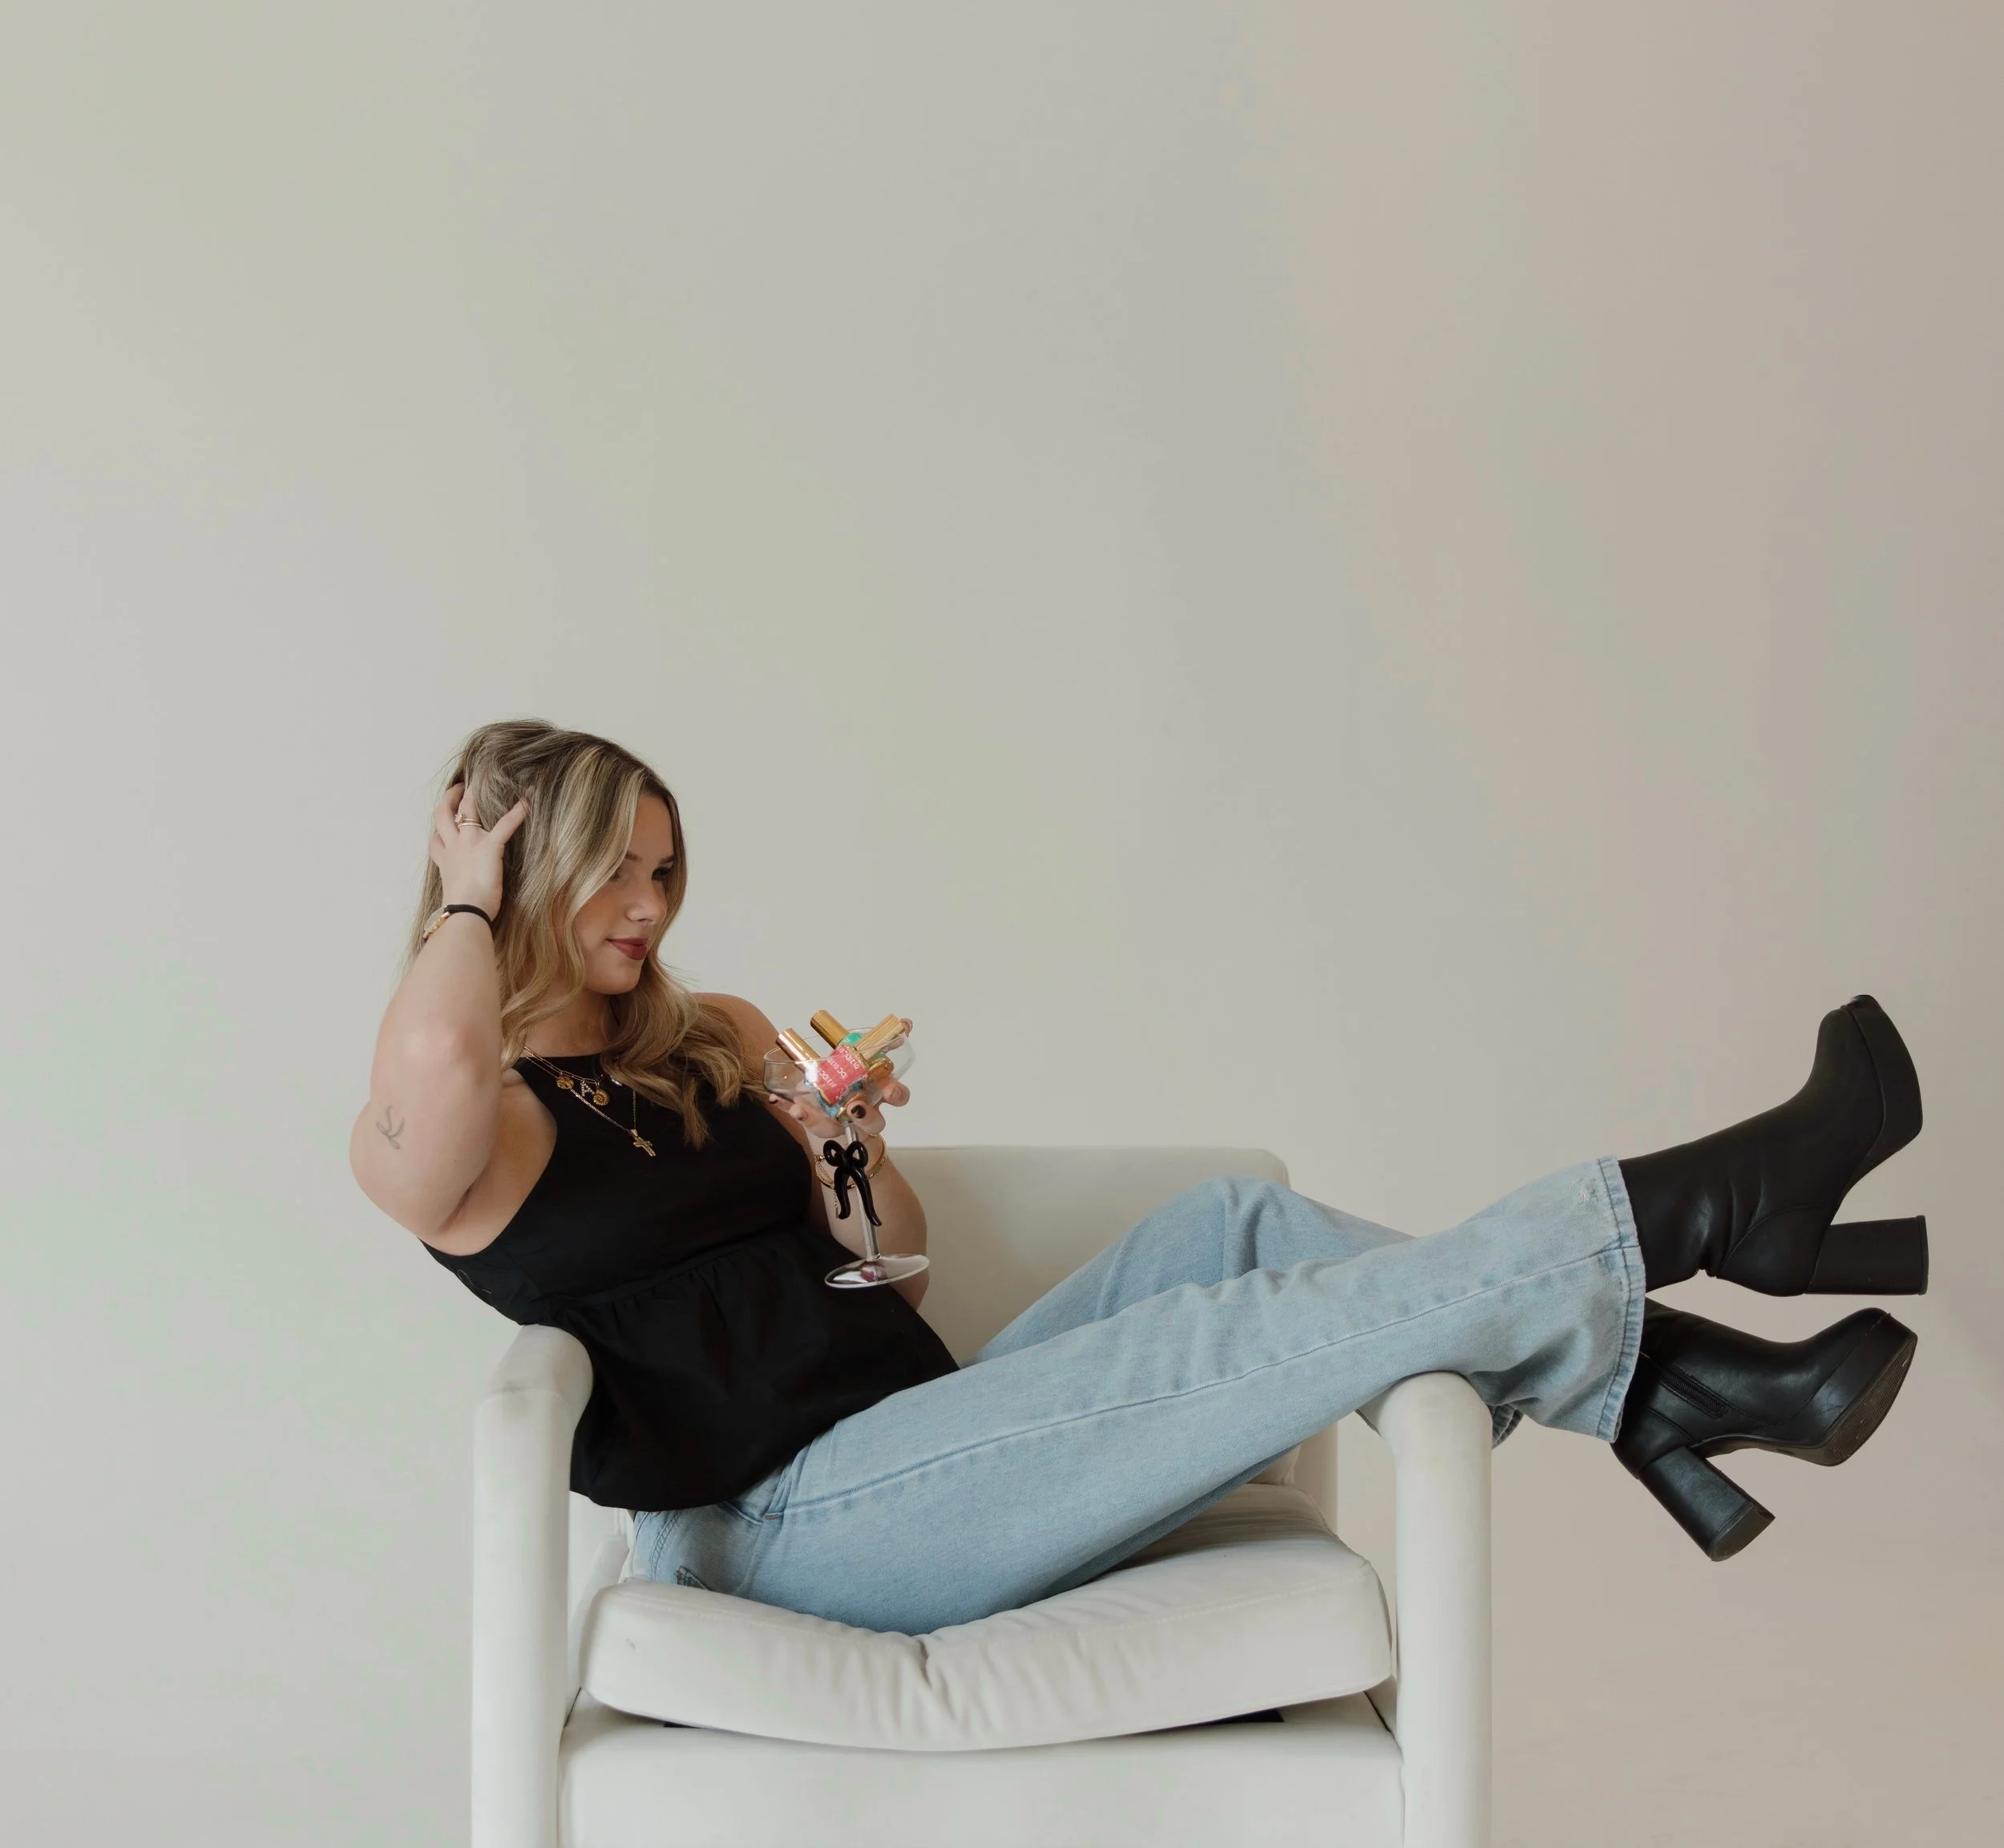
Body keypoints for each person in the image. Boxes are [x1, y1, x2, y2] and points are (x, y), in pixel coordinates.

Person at [352, 721, 1927, 1632]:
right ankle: (1703, 1227)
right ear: (521, 872)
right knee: (1205, 1340)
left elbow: (878, 1261)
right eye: (612, 866)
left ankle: (1661, 1390)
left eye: (663, 865)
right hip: (774, 1521)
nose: (647, 901)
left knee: (1222, 1224)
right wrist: (466, 897)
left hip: (906, 1426)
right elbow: (429, 1055)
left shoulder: (715, 1036)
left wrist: (844, 1136)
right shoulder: (466, 1122)